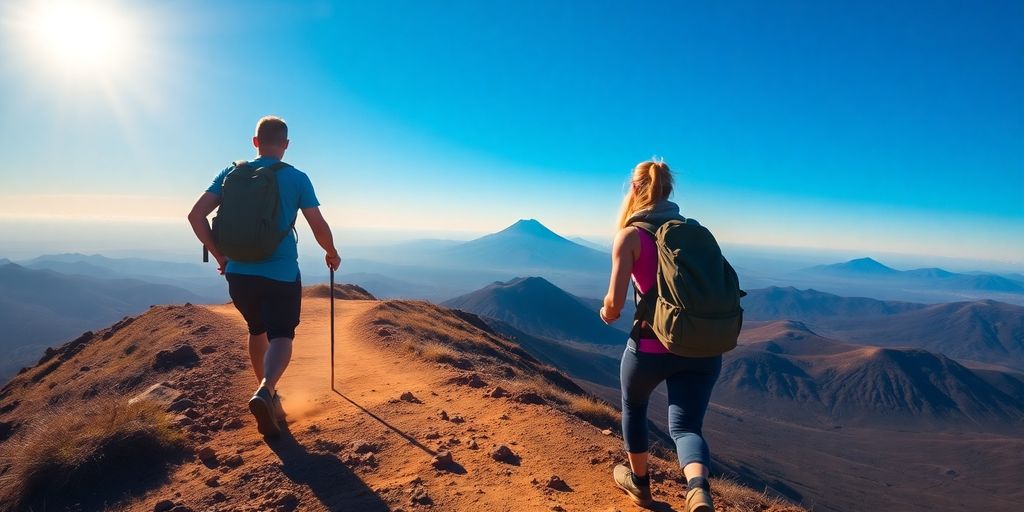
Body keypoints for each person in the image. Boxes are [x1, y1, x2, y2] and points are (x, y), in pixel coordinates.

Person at [187, 115, 341, 438]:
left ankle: (270, 395)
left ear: (255, 142)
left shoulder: (230, 174)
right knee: (282, 335)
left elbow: (195, 215)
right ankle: (266, 390)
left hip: (238, 273)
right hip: (280, 273)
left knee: (257, 330)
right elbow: (318, 225)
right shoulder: (297, 179)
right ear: (285, 145)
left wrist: (220, 256)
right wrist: (331, 252)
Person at [600, 160, 721, 512]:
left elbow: (615, 304)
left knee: (634, 408)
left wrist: (606, 312)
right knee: (685, 428)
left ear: (636, 189)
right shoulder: (695, 232)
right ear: (669, 190)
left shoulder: (631, 235)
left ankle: (641, 486)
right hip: (702, 346)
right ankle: (698, 490)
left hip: (650, 348)